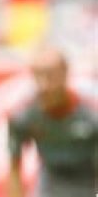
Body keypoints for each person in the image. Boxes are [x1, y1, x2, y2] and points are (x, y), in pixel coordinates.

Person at [7, 46, 97, 197]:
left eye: (50, 75)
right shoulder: (23, 115)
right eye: (38, 76)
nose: (44, 85)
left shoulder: (92, 112)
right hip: (48, 189)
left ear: (65, 73)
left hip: (88, 187)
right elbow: (14, 167)